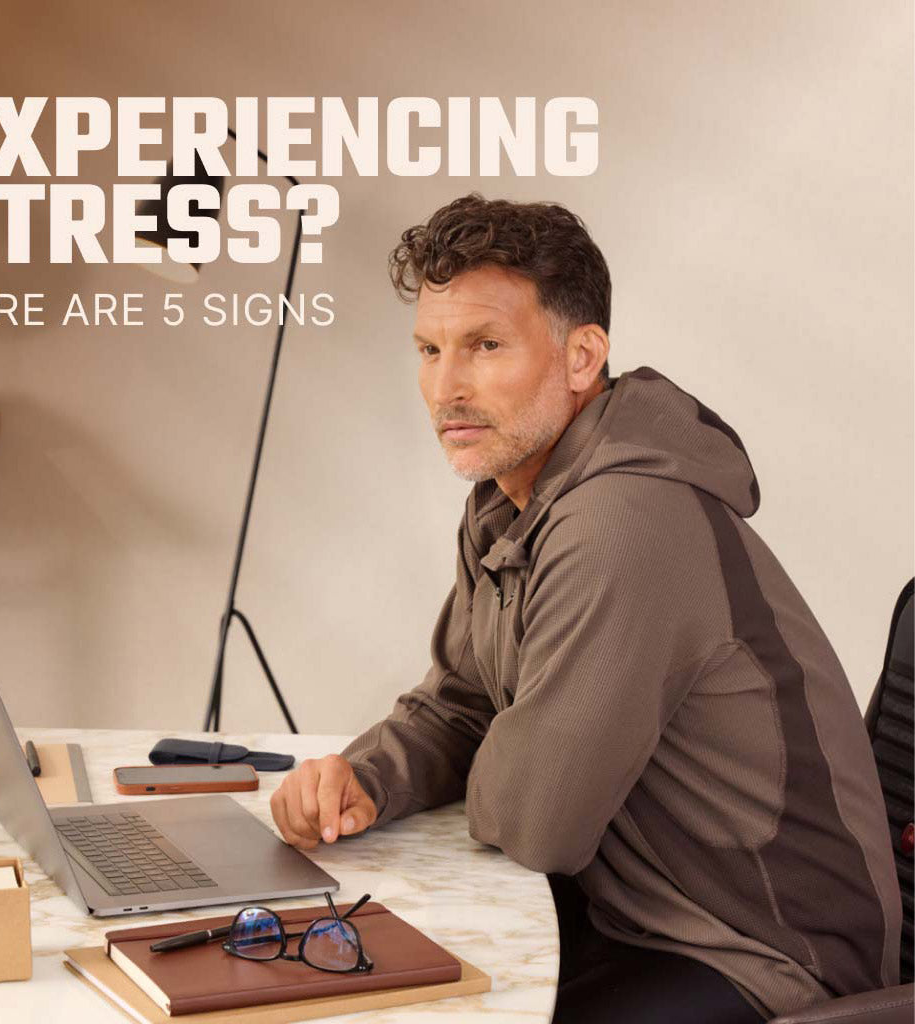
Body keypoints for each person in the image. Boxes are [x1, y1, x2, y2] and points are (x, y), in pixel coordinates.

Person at [269, 194, 901, 1023]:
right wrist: (367, 777)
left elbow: (537, 822)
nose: (446, 387)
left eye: (485, 346)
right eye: (429, 349)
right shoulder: (510, 500)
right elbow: (462, 702)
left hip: (760, 956)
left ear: (581, 356)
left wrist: (513, 748)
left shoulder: (620, 522)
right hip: (626, 914)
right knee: (342, 979)